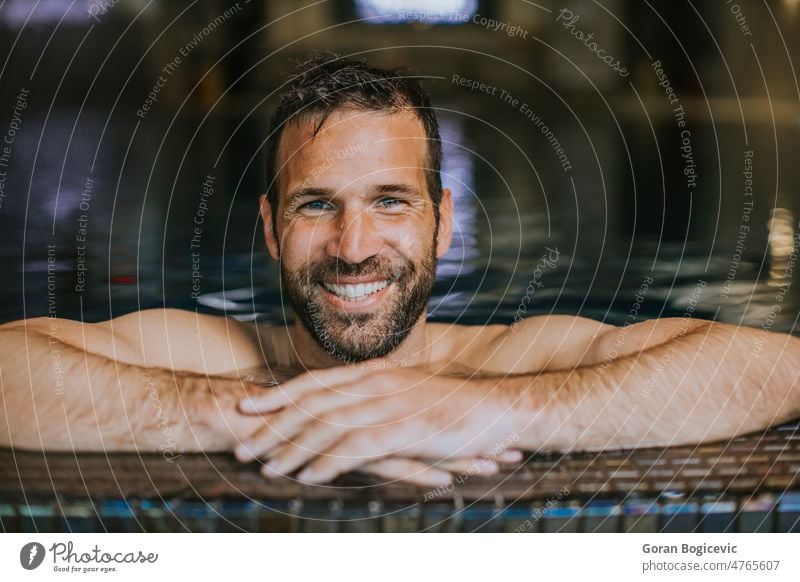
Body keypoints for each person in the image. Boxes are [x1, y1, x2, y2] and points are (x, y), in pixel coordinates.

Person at [1, 53, 798, 488]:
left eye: (389, 201)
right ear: (271, 230)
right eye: (316, 205)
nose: (353, 246)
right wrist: (259, 412)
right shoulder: (208, 356)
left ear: (443, 224)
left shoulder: (510, 362)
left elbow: (781, 369)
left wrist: (496, 413)